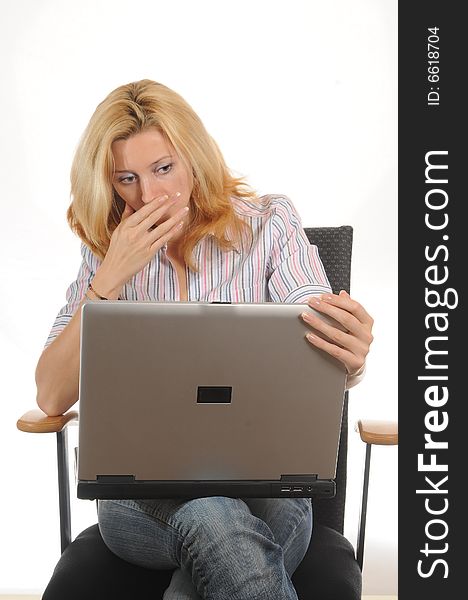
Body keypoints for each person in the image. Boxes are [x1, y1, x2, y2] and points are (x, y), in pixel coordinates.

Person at [35, 79, 374, 600]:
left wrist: (348, 358)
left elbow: (322, 351)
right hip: (138, 495)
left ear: (194, 158)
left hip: (271, 488)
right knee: (213, 517)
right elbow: (51, 396)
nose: (147, 195)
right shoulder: (107, 250)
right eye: (126, 179)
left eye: (163, 169)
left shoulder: (269, 226)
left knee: (214, 529)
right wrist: (111, 279)